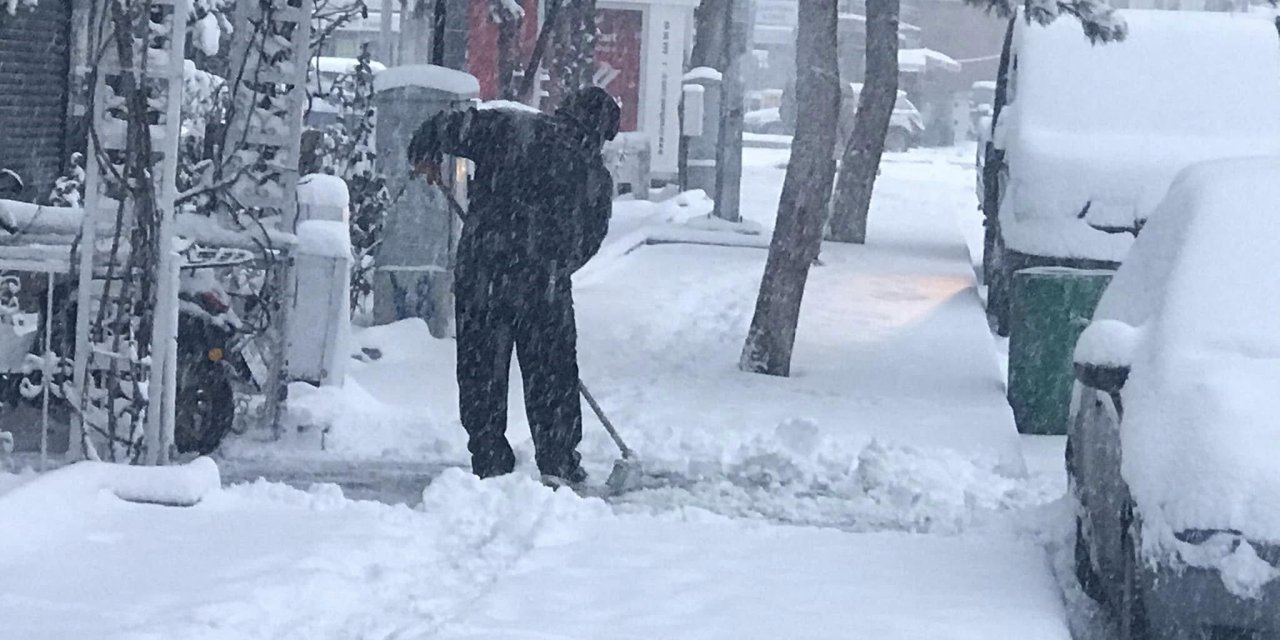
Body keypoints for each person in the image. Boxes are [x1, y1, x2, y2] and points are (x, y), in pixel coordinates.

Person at [407, 87, 620, 485]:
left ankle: (489, 461)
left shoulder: (509, 128)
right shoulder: (594, 177)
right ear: (601, 134)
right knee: (552, 374)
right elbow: (587, 244)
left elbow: (441, 126)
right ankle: (557, 462)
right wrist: (549, 266)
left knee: (481, 371)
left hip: (483, 274)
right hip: (543, 286)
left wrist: (426, 153)